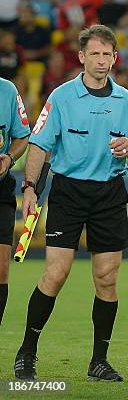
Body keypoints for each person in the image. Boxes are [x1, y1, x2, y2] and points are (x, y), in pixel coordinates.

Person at [14, 24, 128, 382]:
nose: (102, 60)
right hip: (69, 192)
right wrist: (29, 188)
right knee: (54, 274)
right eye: (95, 54)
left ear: (115, 58)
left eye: (108, 54)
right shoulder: (60, 97)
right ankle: (27, 352)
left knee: (107, 278)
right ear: (81, 57)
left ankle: (99, 361)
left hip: (109, 192)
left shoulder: (125, 99)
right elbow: (40, 145)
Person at [0, 77, 30, 326]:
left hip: (1, 190)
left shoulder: (7, 90)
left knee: (1, 269)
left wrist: (9, 157)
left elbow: (22, 136)